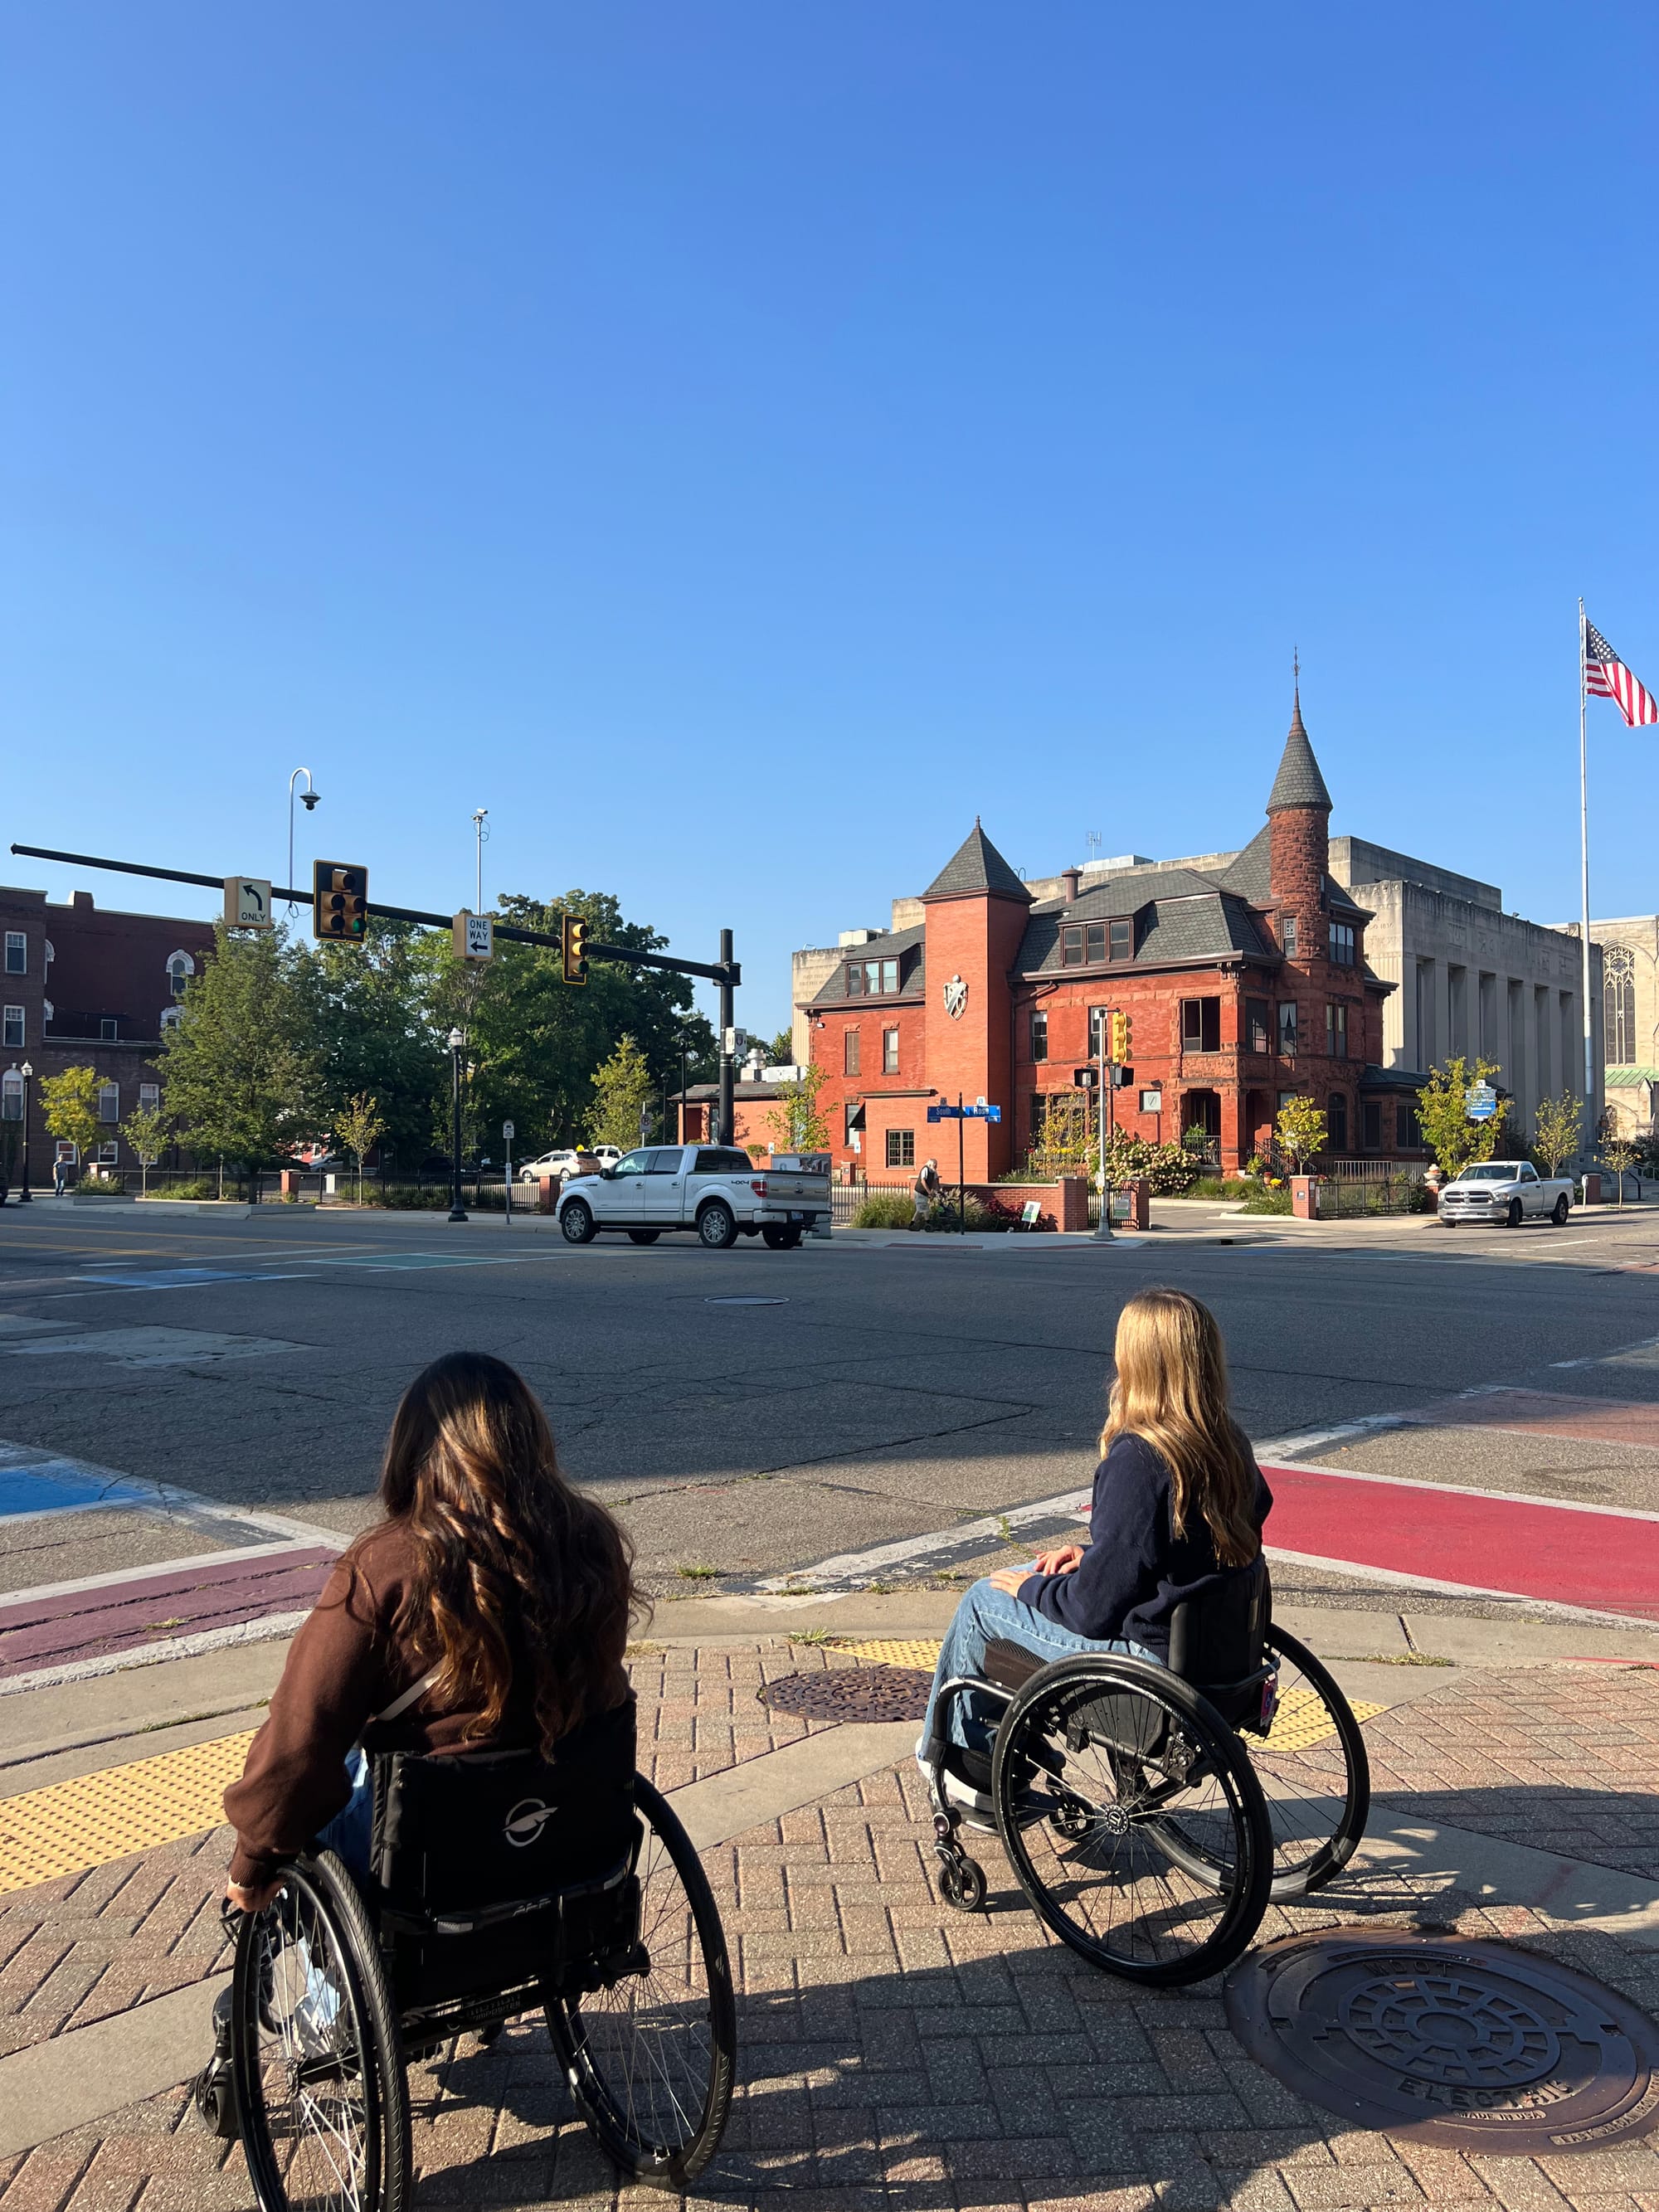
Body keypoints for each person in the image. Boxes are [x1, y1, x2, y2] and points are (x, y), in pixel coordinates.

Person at [221, 1351, 638, 1912]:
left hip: (435, 1855)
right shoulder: (590, 1539)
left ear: (414, 1449)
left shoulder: (387, 1565)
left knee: (315, 1785)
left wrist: (254, 1860)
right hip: (570, 1830)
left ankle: (317, 1998)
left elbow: (302, 1739)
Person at [917, 1286, 1271, 1794]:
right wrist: (1092, 1556)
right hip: (1220, 1657)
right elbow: (1184, 1551)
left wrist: (1029, 1590)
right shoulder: (1228, 1443)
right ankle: (1008, 1741)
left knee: (983, 1601)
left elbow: (1092, 1612)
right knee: (1038, 1587)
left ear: (1137, 1362)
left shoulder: (1141, 1459)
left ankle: (966, 1767)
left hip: (1152, 1667)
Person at [911, 1156, 942, 1229]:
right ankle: (928, 1224)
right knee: (924, 1208)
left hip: (925, 1193)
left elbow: (936, 1182)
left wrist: (938, 1190)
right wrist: (929, 1192)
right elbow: (923, 1181)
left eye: (936, 1165)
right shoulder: (925, 1169)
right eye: (935, 1165)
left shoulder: (934, 1171)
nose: (936, 1167)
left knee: (920, 1209)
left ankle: (912, 1224)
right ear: (931, 1164)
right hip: (919, 1192)